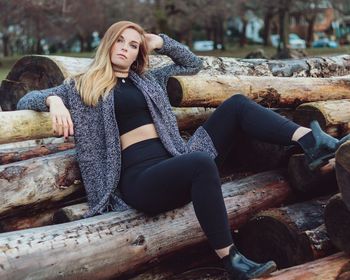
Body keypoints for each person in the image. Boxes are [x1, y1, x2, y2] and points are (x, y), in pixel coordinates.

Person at [16, 21, 349, 280]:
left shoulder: (147, 80)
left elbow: (191, 64)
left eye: (134, 45)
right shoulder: (80, 86)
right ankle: (231, 260)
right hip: (139, 180)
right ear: (109, 43)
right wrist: (54, 99)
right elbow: (25, 100)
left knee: (234, 105)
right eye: (121, 41)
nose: (127, 49)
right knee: (201, 163)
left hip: (175, 158)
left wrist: (159, 40)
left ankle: (311, 141)